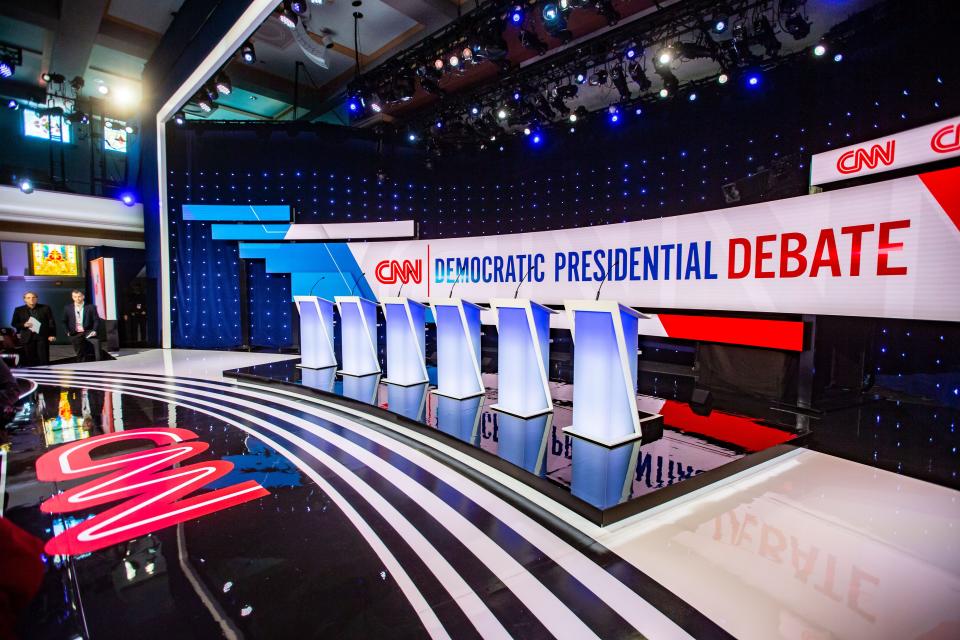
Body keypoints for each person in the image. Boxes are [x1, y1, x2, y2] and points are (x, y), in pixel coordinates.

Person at [10, 291, 56, 366]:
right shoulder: (19, 310)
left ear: (37, 299)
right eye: (28, 298)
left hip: (42, 336)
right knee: (30, 360)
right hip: (27, 337)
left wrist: (52, 334)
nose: (31, 299)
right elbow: (14, 323)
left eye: (33, 297)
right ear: (25, 299)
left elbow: (51, 322)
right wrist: (23, 325)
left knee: (44, 359)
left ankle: (45, 375)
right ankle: (33, 375)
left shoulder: (45, 308)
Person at [62, 289, 99, 362]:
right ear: (72, 297)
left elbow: (96, 320)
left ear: (83, 297)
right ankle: (81, 364)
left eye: (79, 296)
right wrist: (67, 331)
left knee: (91, 348)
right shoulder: (68, 308)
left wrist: (94, 330)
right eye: (75, 297)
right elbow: (64, 321)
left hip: (87, 331)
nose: (77, 299)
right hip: (74, 332)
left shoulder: (91, 307)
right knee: (79, 350)